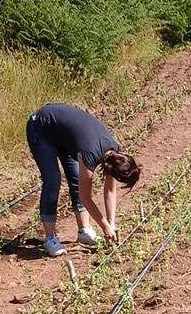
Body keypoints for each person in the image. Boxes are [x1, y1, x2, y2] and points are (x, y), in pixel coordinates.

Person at [26, 103, 141, 256]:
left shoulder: (115, 154)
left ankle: (84, 231)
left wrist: (111, 223)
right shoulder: (90, 153)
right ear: (112, 170)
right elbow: (85, 197)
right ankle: (50, 238)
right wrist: (104, 227)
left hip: (62, 134)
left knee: (75, 177)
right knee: (53, 180)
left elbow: (110, 190)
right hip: (41, 127)